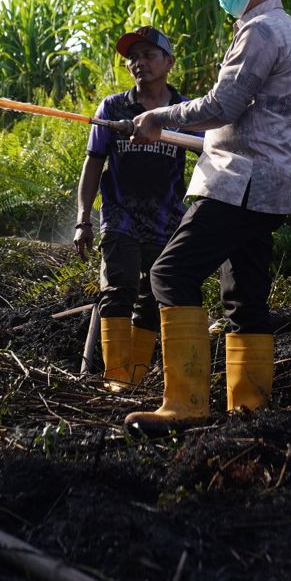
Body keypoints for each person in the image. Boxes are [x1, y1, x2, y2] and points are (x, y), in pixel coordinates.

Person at [123, 0, 291, 433]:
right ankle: (248, 409)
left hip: (238, 182)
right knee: (245, 295)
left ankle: (186, 403)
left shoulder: (259, 30)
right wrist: (273, 125)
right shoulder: (288, 28)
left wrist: (157, 117)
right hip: (269, 187)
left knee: (169, 274)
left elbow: (223, 104)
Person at [74, 26, 189, 390]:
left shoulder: (184, 110)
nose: (139, 63)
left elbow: (210, 157)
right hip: (120, 218)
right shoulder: (112, 108)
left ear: (168, 62)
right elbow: (93, 164)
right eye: (132, 58)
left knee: (155, 297)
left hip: (166, 222)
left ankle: (138, 375)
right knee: (118, 289)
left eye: (149, 55)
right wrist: (83, 221)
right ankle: (117, 379)